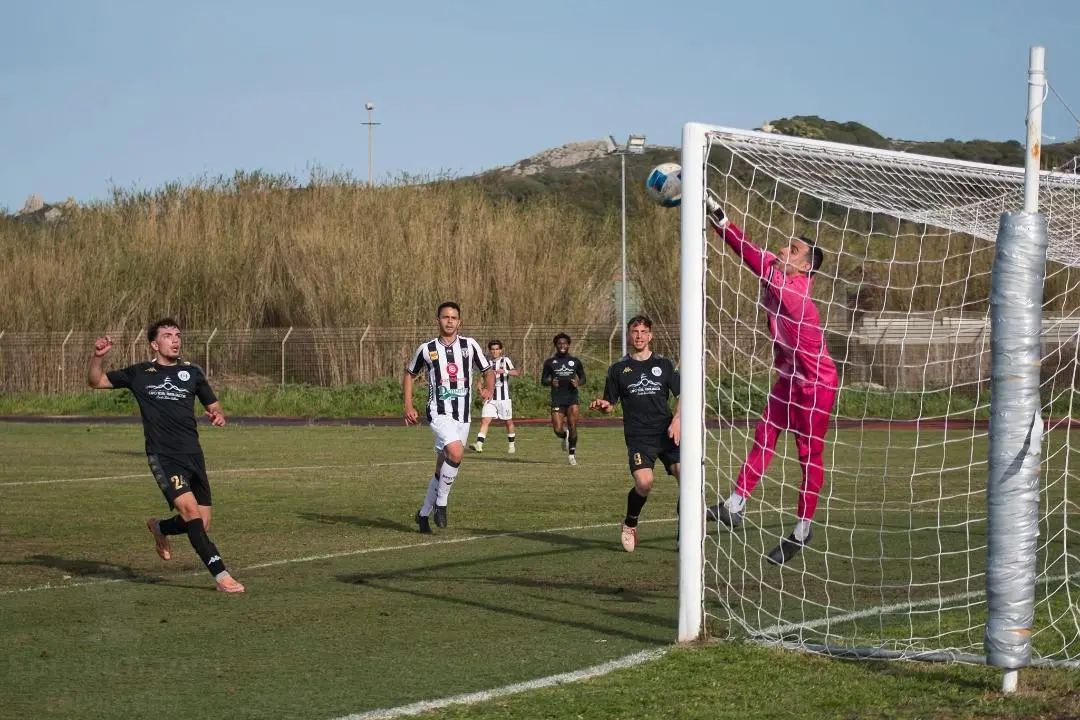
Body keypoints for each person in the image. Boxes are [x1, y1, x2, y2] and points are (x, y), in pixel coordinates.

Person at [703, 193, 839, 566]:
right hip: (787, 378)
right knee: (764, 434)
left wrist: (756, 255)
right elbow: (746, 249)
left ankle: (803, 527)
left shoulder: (798, 297)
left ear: (807, 267)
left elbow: (757, 262)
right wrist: (721, 219)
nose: (784, 249)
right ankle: (736, 503)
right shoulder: (779, 274)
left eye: (793, 250)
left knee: (808, 455)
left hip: (816, 383)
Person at [86, 318, 244, 593]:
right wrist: (97, 358)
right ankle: (221, 576)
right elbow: (96, 381)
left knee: (201, 523)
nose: (175, 340)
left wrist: (217, 414)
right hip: (164, 456)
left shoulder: (192, 373)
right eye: (168, 335)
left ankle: (159, 527)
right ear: (154, 344)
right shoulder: (139, 373)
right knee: (191, 514)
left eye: (178, 335)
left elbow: (213, 403)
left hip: (194, 455)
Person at [589, 316, 680, 552]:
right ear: (629, 336)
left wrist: (678, 420)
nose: (639, 335)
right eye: (635, 331)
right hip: (639, 435)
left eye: (643, 331)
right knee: (645, 483)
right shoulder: (618, 369)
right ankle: (630, 523)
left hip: (668, 433)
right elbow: (610, 402)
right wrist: (603, 405)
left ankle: (685, 529)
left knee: (687, 477)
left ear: (650, 336)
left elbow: (683, 395)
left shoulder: (665, 365)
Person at [403, 301, 494, 533]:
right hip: (438, 411)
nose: (450, 321)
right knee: (456, 452)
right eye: (445, 317)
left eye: (454, 317)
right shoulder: (427, 349)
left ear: (459, 321)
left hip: (463, 416)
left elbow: (487, 369)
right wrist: (408, 405)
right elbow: (409, 373)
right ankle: (441, 504)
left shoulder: (470, 345)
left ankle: (423, 514)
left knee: (443, 467)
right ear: (438, 320)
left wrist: (489, 389)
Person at [540, 333, 586, 465]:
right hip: (557, 399)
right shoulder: (550, 362)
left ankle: (572, 455)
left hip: (572, 398)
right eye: (559, 343)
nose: (562, 346)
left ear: (568, 345)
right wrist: (550, 382)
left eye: (564, 343)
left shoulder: (575, 361)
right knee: (557, 429)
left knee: (572, 425)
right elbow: (543, 380)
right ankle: (564, 436)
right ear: (556, 345)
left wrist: (578, 383)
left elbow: (583, 378)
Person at [473, 339, 521, 454]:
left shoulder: (506, 360)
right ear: (490, 350)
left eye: (497, 349)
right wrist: (480, 389)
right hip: (490, 397)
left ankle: (511, 445)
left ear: (501, 350)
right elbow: (481, 377)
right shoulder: (485, 362)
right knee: (485, 420)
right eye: (493, 349)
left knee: (508, 422)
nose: (495, 351)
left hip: (504, 398)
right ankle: (479, 444)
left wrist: (504, 371)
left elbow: (516, 373)